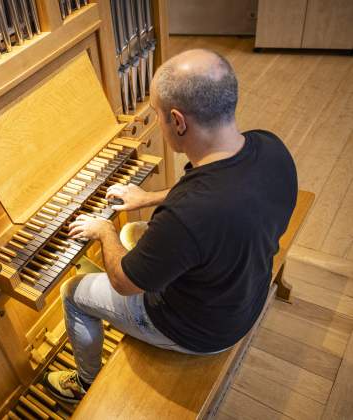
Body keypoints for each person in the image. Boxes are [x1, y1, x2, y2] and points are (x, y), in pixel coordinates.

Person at [44, 49, 298, 403]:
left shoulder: (187, 215)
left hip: (200, 330)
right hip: (245, 294)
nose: (159, 123)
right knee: (146, 236)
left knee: (72, 293)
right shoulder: (271, 148)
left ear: (178, 121)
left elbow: (124, 283)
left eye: (157, 115)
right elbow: (210, 193)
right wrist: (146, 198)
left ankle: (83, 383)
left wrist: (104, 230)